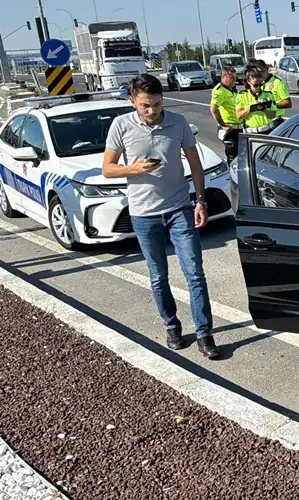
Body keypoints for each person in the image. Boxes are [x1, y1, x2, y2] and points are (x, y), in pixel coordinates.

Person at [102, 73, 219, 359]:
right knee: (158, 277)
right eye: (145, 105)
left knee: (195, 273)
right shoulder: (121, 126)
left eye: (156, 104)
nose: (152, 111)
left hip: (179, 208)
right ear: (133, 102)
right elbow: (107, 168)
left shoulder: (178, 122)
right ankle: (172, 325)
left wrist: (200, 201)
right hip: (144, 214)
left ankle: (205, 334)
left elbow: (195, 163)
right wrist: (135, 169)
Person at [209, 65, 242, 164]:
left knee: (241, 156)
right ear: (224, 77)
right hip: (230, 130)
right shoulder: (220, 91)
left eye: (235, 78)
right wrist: (223, 125)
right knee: (233, 158)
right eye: (232, 78)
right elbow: (213, 109)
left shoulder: (231, 89)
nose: (235, 80)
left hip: (239, 128)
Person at [236, 66, 278, 135]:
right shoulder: (242, 96)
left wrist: (264, 109)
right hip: (252, 134)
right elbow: (238, 116)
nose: (258, 87)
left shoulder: (269, 95)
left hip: (268, 132)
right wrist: (250, 109)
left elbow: (273, 115)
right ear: (248, 82)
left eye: (260, 84)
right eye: (255, 85)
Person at [255, 59, 291, 128]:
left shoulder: (277, 82)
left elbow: (288, 103)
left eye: (262, 71)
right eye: (258, 73)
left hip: (276, 121)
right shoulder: (260, 84)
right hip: (265, 121)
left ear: (267, 69)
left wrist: (271, 105)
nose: (261, 74)